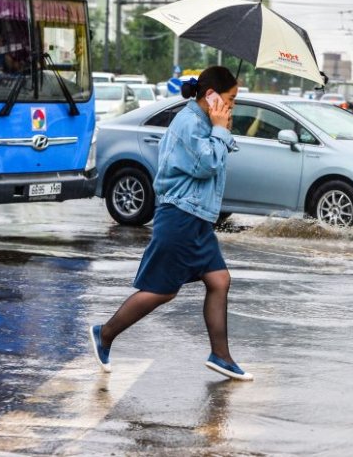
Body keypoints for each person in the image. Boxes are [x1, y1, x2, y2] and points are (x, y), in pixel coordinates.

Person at [88, 66, 253, 381]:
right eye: (231, 98)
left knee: (219, 281)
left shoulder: (203, 122)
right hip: (180, 217)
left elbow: (214, 155)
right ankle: (105, 333)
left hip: (197, 219)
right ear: (212, 96)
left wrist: (221, 128)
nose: (233, 105)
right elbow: (208, 164)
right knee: (161, 291)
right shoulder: (189, 123)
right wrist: (220, 129)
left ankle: (221, 355)